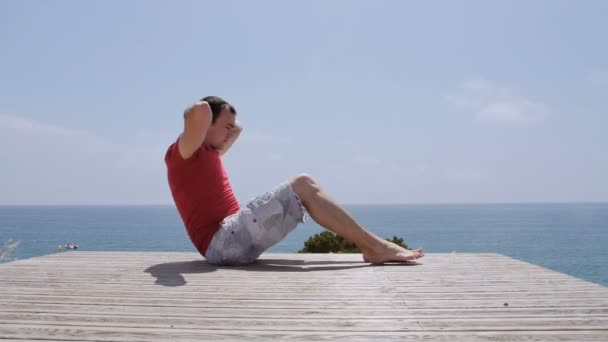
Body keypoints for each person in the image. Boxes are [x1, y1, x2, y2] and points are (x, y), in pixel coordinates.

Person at [165, 96, 424, 266]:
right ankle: (375, 247)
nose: (232, 132)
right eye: (226, 126)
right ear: (207, 124)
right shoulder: (185, 152)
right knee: (303, 183)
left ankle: (375, 245)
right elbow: (196, 112)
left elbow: (238, 129)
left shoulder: (212, 153)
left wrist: (228, 120)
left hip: (232, 242)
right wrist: (210, 112)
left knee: (304, 187)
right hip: (222, 242)